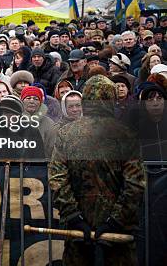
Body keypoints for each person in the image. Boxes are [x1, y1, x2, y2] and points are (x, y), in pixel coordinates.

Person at [49, 75, 145, 266]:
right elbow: (135, 184)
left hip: (80, 227)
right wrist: (115, 221)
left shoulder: (67, 133)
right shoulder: (126, 134)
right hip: (118, 229)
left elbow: (57, 178)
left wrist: (74, 216)